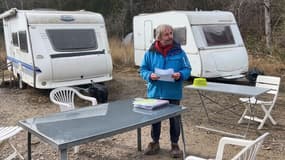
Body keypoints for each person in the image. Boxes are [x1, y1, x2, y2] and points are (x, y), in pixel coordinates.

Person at [140, 24, 191, 158]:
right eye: (166, 34)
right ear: (159, 37)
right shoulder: (150, 52)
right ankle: (155, 142)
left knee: (174, 120)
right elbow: (143, 69)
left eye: (171, 33)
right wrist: (149, 75)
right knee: (155, 119)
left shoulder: (179, 51)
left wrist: (180, 75)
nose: (170, 36)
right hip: (155, 93)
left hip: (173, 93)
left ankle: (175, 145)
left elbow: (187, 69)